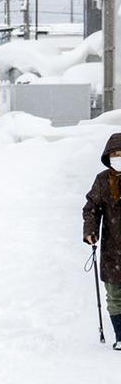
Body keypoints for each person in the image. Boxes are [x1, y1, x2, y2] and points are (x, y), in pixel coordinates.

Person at [83, 132, 121, 350]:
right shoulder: (103, 180)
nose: (118, 157)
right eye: (114, 154)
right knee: (115, 296)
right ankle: (120, 335)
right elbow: (91, 209)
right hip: (112, 249)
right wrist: (90, 231)